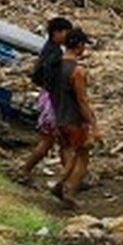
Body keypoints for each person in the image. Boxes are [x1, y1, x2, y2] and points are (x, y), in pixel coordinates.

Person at [19, 17, 74, 179]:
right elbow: (49, 73)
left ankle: (69, 177)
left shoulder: (49, 48)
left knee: (60, 142)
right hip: (53, 100)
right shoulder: (56, 53)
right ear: (57, 33)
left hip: (47, 97)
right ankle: (24, 171)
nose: (67, 37)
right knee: (52, 142)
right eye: (65, 33)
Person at [51, 28, 100, 209]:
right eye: (84, 45)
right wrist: (93, 125)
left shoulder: (54, 66)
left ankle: (59, 185)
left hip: (58, 117)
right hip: (74, 120)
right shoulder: (77, 71)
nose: (84, 49)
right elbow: (82, 100)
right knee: (82, 158)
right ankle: (69, 194)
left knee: (70, 153)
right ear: (79, 46)